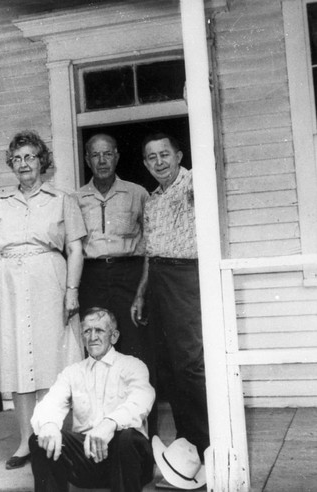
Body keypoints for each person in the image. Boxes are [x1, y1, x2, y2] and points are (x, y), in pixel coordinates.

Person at [0, 130, 85, 469]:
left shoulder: (61, 199)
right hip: (8, 285)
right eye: (18, 158)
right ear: (12, 164)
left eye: (30, 157)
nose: (24, 164)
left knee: (52, 359)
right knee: (18, 361)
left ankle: (52, 436)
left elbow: (75, 248)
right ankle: (25, 441)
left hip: (49, 281)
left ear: (42, 162)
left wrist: (71, 291)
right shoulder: (0, 205)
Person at [131, 132, 210, 461]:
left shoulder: (194, 184)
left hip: (186, 276)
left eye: (165, 154)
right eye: (152, 157)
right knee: (172, 366)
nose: (159, 162)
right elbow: (151, 252)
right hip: (159, 279)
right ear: (146, 164)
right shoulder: (151, 200)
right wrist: (140, 294)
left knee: (191, 364)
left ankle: (208, 444)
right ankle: (187, 440)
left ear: (179, 155)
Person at [29, 307, 155, 492]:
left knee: (127, 439)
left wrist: (109, 423)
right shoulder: (72, 372)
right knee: (40, 438)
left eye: (99, 330)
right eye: (87, 331)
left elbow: (141, 399)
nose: (92, 336)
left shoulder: (133, 365)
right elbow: (51, 401)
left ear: (114, 336)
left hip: (128, 461)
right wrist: (49, 424)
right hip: (87, 459)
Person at [75, 134, 149, 363]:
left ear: (116, 156)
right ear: (87, 160)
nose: (102, 160)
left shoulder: (137, 193)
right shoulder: (75, 199)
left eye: (107, 154)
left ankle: (143, 397)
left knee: (134, 335)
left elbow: (150, 244)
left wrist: (142, 289)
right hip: (91, 276)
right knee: (95, 337)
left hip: (129, 273)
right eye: (95, 155)